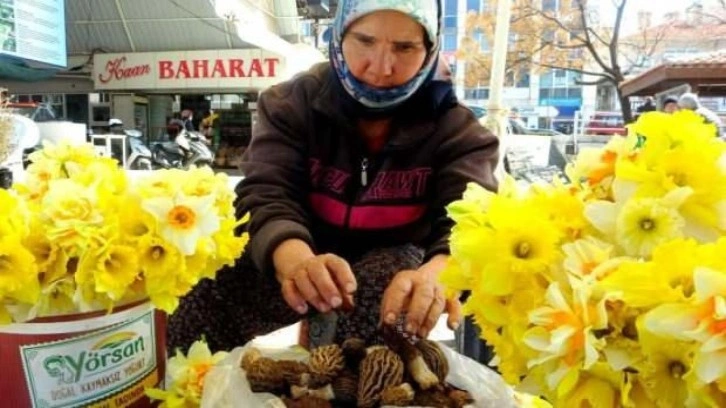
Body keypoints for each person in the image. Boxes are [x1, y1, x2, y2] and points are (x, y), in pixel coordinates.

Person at [167, 0, 499, 354]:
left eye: (405, 47)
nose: (382, 68)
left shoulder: (457, 130)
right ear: (339, 35)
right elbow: (267, 192)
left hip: (395, 262)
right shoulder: (291, 103)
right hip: (297, 247)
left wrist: (438, 276)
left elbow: (470, 220)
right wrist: (295, 261)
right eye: (365, 41)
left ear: (430, 49)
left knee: (378, 312)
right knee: (202, 301)